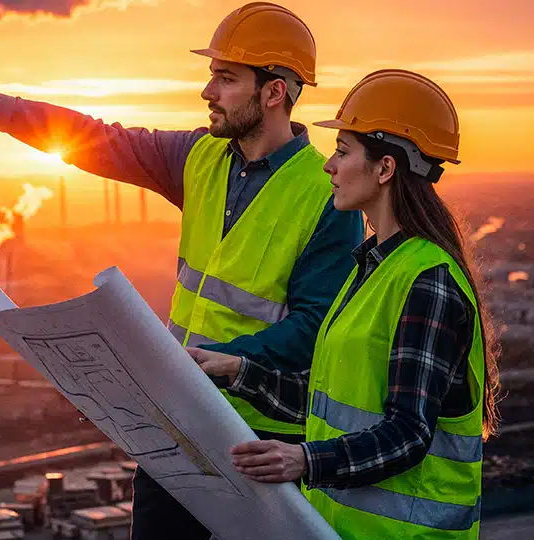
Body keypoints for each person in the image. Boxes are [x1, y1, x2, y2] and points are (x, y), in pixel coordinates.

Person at [0, 3, 364, 537]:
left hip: (262, 444)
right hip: (177, 425)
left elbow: (314, 330)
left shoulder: (325, 197)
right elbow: (95, 140)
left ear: (274, 92)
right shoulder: (199, 158)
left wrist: (218, 362)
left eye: (226, 79)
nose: (207, 92)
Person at [188, 69, 502, 539]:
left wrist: (304, 459)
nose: (328, 166)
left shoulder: (426, 282)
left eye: (342, 151)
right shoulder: (372, 268)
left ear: (385, 168)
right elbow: (332, 410)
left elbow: (408, 435)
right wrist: (239, 372)